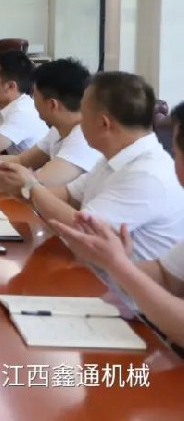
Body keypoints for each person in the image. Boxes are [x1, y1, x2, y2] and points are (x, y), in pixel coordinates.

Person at [0, 72, 184, 260]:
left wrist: (31, 187)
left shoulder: (147, 175)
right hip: (89, 267)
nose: (78, 121)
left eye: (83, 114)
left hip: (109, 277)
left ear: (103, 123)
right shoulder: (112, 158)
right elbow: (67, 196)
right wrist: (20, 187)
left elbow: (82, 229)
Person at [50, 101, 184, 345]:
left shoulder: (149, 173)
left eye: (175, 153)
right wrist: (118, 261)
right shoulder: (110, 160)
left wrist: (118, 265)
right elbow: (165, 277)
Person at [0, 58, 101, 188]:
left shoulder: (82, 140)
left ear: (52, 105)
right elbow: (21, 161)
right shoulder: (59, 130)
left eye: (35, 95)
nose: (32, 100)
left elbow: (35, 185)